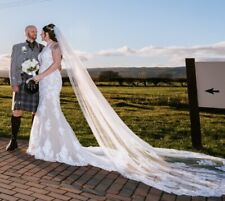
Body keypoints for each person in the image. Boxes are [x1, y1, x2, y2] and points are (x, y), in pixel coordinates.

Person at [27, 24, 225, 196]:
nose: (41, 34)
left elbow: (56, 65)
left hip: (49, 82)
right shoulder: (45, 47)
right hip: (45, 82)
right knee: (45, 111)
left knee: (50, 111)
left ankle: (57, 147)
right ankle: (44, 145)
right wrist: (35, 74)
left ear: (49, 33)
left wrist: (38, 77)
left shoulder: (56, 46)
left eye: (43, 32)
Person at [7, 25, 44, 151]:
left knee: (36, 112)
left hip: (36, 82)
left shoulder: (42, 48)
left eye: (36, 31)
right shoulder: (17, 47)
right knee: (17, 110)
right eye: (33, 31)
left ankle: (33, 142)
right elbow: (13, 66)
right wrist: (14, 83)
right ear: (27, 32)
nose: (35, 33)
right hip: (21, 81)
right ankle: (13, 140)